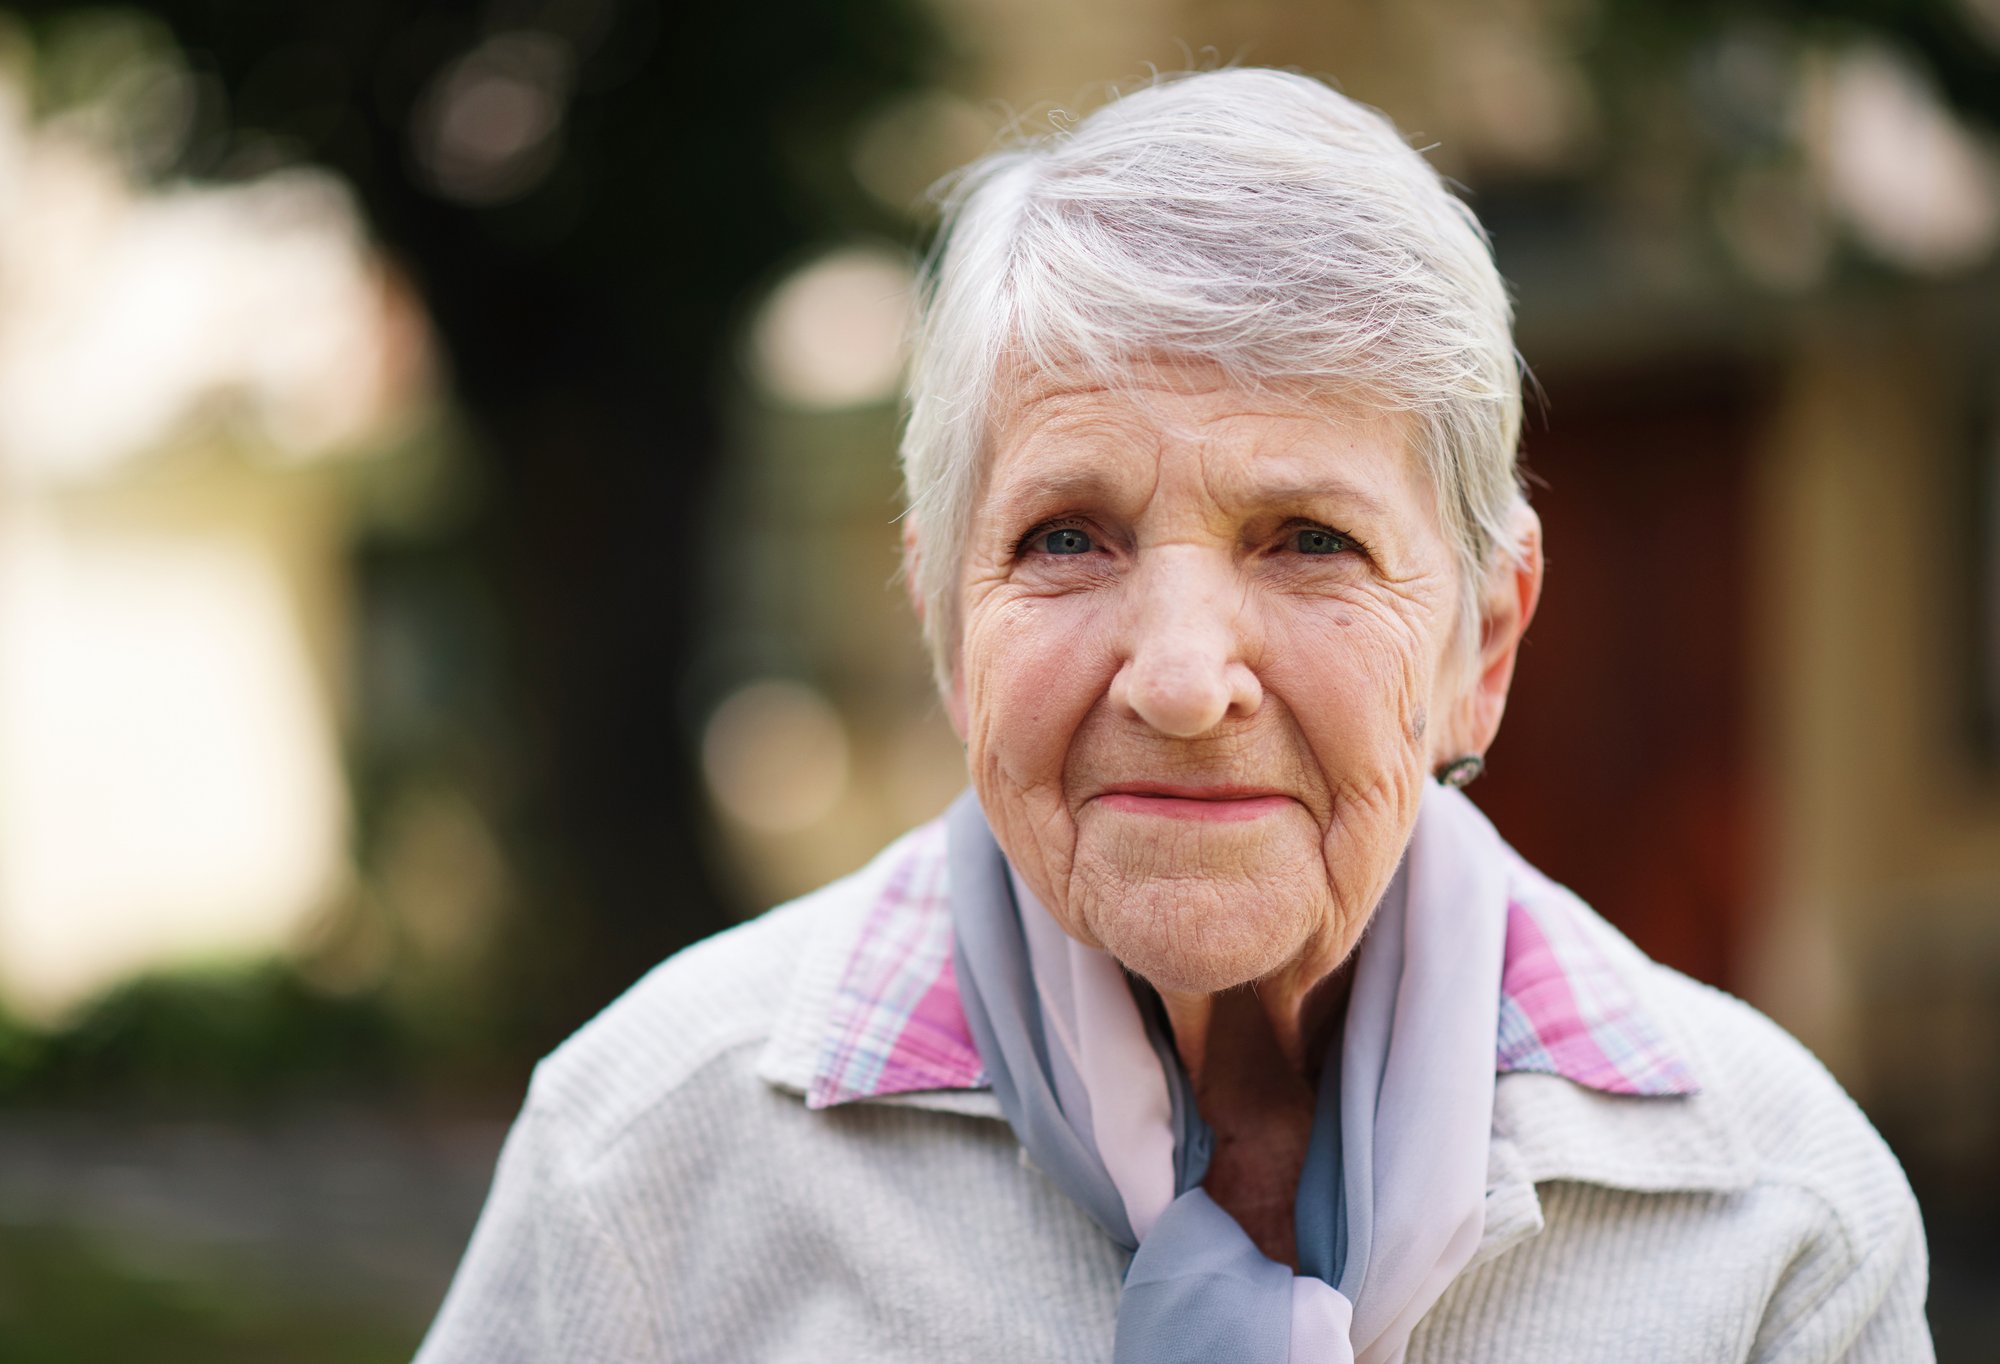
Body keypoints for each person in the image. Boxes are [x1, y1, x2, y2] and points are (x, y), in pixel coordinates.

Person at [414, 68, 1931, 1363]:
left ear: (1484, 639)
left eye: (1311, 540)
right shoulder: (652, 1155)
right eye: (1067, 537)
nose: (1184, 682)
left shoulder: (1772, 1217)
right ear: (950, 623)